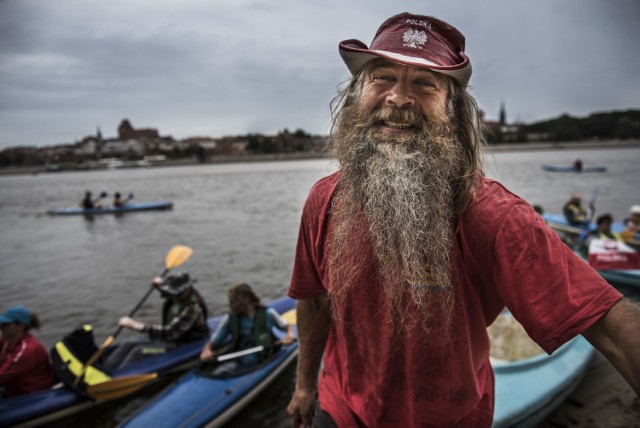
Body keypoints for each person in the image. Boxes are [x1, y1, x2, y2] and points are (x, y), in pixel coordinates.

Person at [286, 13, 640, 427]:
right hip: (340, 406)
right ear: (356, 96)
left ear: (452, 113)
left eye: (424, 83)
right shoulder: (324, 200)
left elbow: (610, 325)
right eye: (381, 78)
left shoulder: (494, 217)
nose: (399, 98)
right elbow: (312, 300)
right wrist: (305, 385)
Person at [102, 271, 209, 370]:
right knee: (129, 343)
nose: (173, 297)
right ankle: (104, 369)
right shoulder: (180, 294)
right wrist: (160, 285)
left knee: (139, 352)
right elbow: (170, 292)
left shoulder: (193, 308)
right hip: (172, 339)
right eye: (171, 293)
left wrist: (136, 325)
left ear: (188, 289)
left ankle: (117, 378)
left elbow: (169, 333)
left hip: (181, 343)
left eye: (177, 294)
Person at [200, 283, 294, 376]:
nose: (229, 306)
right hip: (238, 359)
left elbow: (286, 326)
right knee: (221, 371)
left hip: (262, 358)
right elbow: (216, 338)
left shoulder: (267, 313)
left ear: (245, 300)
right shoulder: (230, 319)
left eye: (233, 302)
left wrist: (289, 335)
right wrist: (207, 350)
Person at [0, 306, 55, 397]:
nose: (1, 327)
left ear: (20, 326)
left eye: (6, 324)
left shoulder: (27, 349)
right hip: (11, 389)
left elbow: (3, 376)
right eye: (1, 323)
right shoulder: (7, 341)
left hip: (30, 394)